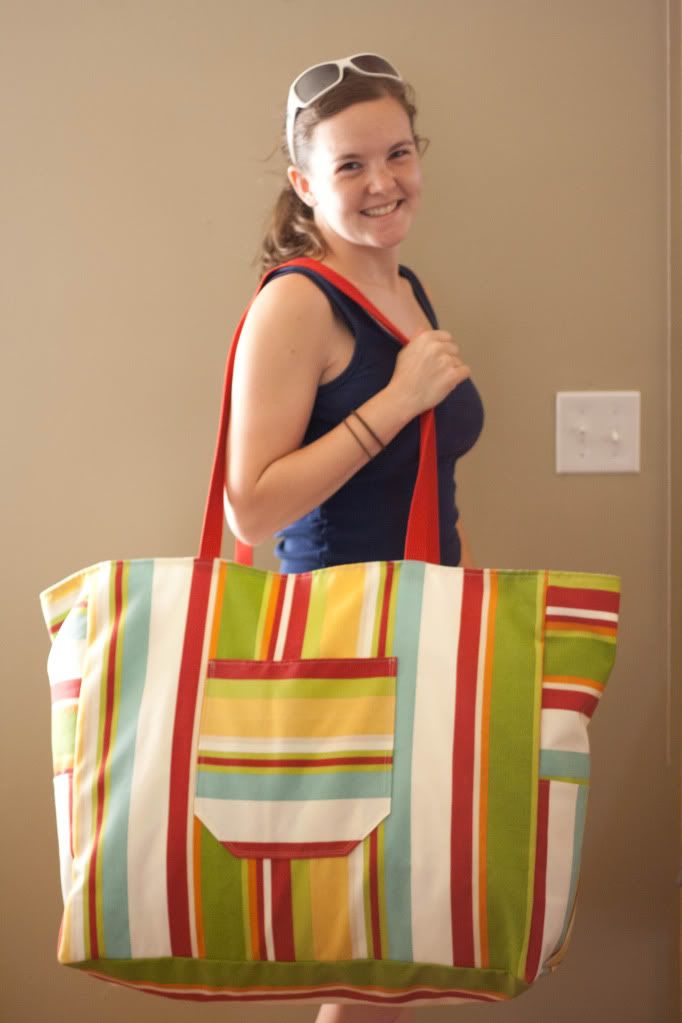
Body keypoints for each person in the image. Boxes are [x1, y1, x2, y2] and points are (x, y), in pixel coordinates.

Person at [224, 53, 485, 1023]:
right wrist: (398, 398)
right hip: (341, 645)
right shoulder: (296, 301)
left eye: (399, 155)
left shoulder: (405, 285)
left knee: (389, 953)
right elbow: (250, 509)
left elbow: (418, 482)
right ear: (303, 183)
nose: (382, 183)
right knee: (371, 955)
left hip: (416, 630)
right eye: (348, 166)